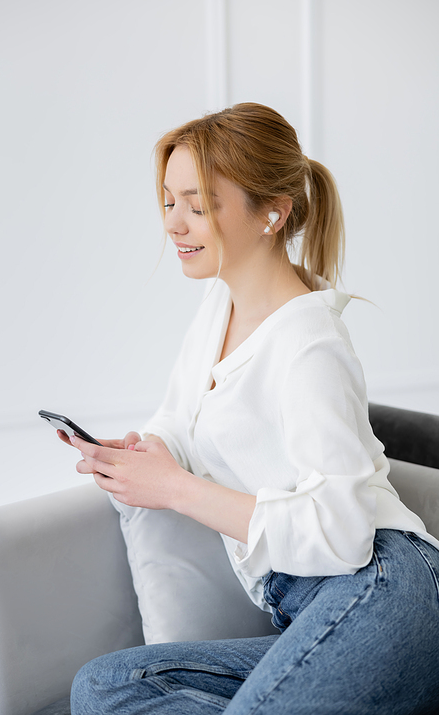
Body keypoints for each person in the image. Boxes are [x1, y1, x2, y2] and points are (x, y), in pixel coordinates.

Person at [40, 103, 439, 714]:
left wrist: (175, 489)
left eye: (198, 206)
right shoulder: (218, 307)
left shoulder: (310, 347)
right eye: (169, 202)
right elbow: (181, 417)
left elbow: (346, 530)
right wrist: (150, 454)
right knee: (104, 688)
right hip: (310, 608)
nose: (175, 224)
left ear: (271, 214)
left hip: (384, 587)